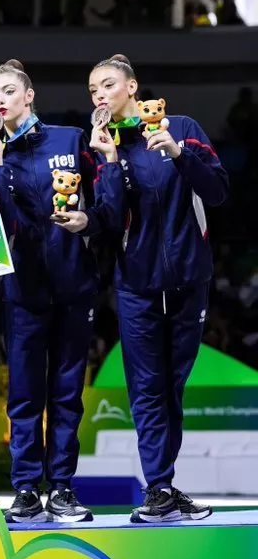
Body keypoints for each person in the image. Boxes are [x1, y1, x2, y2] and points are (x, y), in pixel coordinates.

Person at [58, 54, 229, 522]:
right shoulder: (102, 147)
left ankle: (165, 485)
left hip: (190, 279)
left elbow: (216, 191)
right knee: (147, 388)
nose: (99, 95)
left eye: (107, 85)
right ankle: (159, 487)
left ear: (132, 87)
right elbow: (109, 221)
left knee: (172, 386)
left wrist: (177, 152)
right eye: (92, 89)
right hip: (136, 285)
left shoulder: (183, 126)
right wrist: (110, 163)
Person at [0, 59, 124, 523]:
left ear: (29, 95)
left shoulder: (70, 138)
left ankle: (61, 486)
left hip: (74, 285)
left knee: (66, 393)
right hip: (22, 289)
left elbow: (105, 202)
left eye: (7, 92)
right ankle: (25, 488)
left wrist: (91, 221)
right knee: (24, 394)